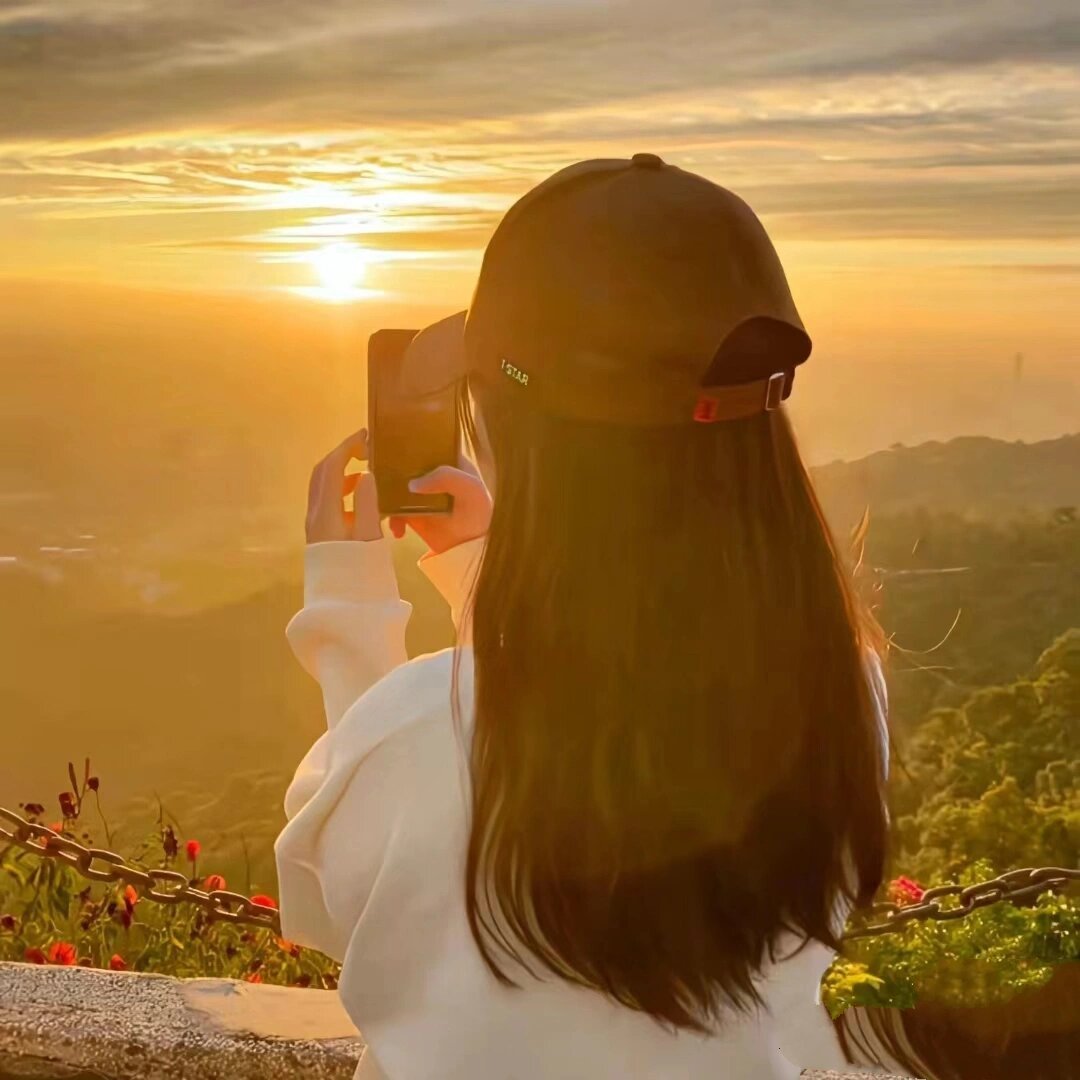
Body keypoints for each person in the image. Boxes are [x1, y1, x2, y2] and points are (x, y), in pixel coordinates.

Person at [274, 154, 898, 1080]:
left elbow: (341, 908)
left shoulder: (418, 732)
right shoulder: (843, 693)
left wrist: (349, 607)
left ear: (511, 426)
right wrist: (482, 576)